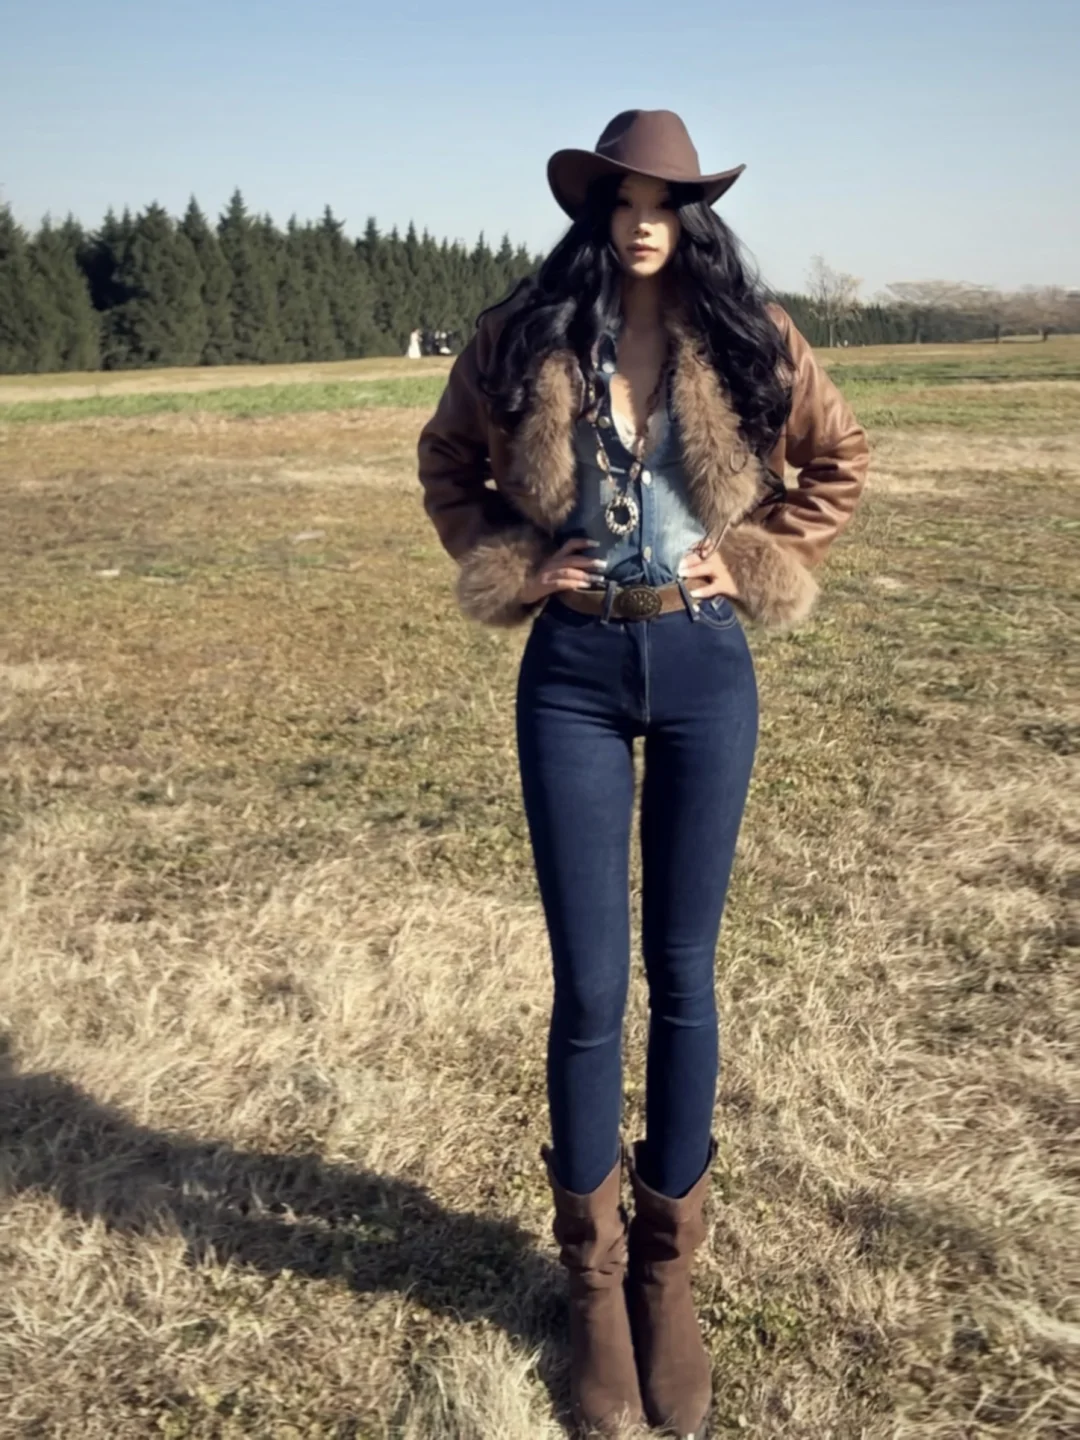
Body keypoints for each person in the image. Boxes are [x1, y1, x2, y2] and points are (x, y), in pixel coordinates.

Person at [417, 109, 868, 1439]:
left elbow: (840, 458)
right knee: (590, 986)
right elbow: (446, 460)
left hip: (705, 665)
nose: (642, 220)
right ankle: (594, 1283)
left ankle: (667, 1276)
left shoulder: (752, 335)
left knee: (686, 976)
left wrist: (766, 552)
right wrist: (515, 560)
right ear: (596, 212)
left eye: (665, 200)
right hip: (570, 670)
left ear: (694, 214)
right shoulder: (525, 334)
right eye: (622, 200)